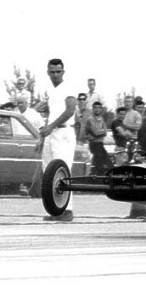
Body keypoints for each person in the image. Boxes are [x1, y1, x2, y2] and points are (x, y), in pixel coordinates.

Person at [40, 59, 77, 222]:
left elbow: (70, 110)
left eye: (58, 71)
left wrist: (52, 126)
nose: (55, 75)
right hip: (51, 134)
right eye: (52, 72)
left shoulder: (68, 88)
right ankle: (55, 210)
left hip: (64, 134)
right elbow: (52, 114)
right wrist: (44, 135)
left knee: (62, 170)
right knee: (48, 173)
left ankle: (67, 210)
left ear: (63, 72)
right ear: (48, 72)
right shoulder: (51, 91)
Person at [85, 101, 112, 175]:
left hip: (100, 143)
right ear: (92, 109)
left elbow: (105, 131)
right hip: (93, 144)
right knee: (99, 163)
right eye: (95, 107)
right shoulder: (90, 119)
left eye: (99, 108)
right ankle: (99, 179)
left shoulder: (101, 118)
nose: (97, 109)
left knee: (108, 162)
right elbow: (96, 133)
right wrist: (101, 132)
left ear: (101, 109)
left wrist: (101, 132)